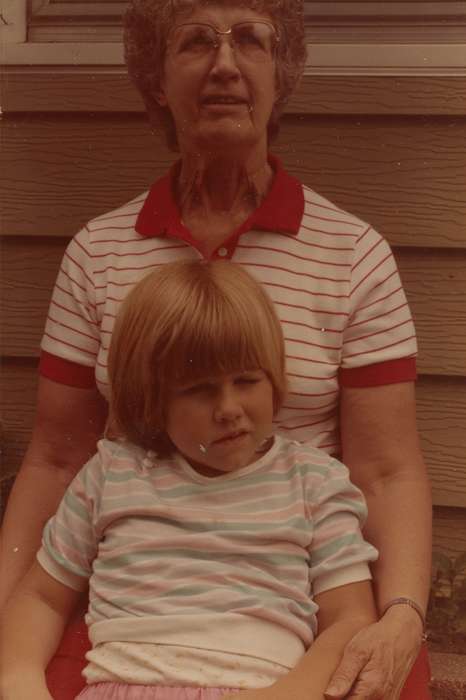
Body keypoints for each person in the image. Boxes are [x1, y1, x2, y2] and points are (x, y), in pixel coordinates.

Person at [0, 1, 432, 698]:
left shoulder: (352, 254)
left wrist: (404, 615)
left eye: (251, 41)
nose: (225, 65)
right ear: (156, 79)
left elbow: (387, 469)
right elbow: (56, 456)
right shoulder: (99, 250)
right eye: (196, 41)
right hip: (142, 588)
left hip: (291, 584)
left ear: (280, 72)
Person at [1, 260, 381, 700]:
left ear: (274, 378)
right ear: (152, 399)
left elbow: (351, 619)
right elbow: (42, 597)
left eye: (246, 380)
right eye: (200, 389)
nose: (229, 407)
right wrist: (21, 681)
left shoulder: (314, 483)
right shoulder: (113, 474)